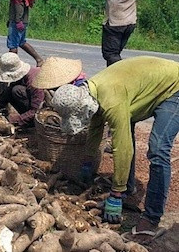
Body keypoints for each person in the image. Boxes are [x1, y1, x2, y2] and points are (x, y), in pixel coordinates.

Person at [51, 56, 179, 242]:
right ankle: (129, 189)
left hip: (174, 88)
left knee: (158, 149)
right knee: (126, 128)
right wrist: (88, 160)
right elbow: (95, 126)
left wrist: (116, 193)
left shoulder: (111, 100)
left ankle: (151, 220)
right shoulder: (90, 92)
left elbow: (122, 147)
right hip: (149, 84)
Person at [91, 0, 140, 66]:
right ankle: (113, 79)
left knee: (110, 54)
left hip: (115, 23)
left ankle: (124, 73)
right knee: (115, 53)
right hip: (130, 22)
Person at [5, 0, 43, 66]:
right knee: (21, 42)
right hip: (23, 19)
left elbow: (18, 4)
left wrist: (17, 20)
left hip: (19, 20)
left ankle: (12, 67)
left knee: (13, 45)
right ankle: (39, 59)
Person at [0, 52, 44, 127]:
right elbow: (7, 93)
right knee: (11, 89)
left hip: (40, 110)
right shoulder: (22, 76)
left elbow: (36, 111)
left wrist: (15, 120)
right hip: (31, 100)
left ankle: (30, 123)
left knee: (17, 90)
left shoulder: (34, 83)